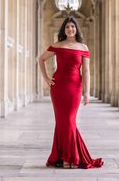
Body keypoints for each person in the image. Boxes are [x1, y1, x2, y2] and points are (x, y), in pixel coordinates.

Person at [38, 16, 104, 169]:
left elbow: (86, 70)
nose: (70, 29)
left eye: (72, 27)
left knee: (69, 120)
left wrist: (87, 92)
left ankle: (70, 156)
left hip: (75, 86)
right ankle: (65, 158)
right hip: (59, 86)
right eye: (67, 27)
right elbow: (41, 59)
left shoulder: (83, 48)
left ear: (76, 29)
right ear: (64, 30)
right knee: (62, 121)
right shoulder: (57, 45)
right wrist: (47, 79)